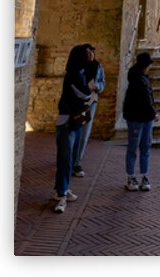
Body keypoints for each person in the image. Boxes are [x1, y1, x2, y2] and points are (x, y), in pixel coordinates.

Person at [53, 44, 94, 213]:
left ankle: (61, 189)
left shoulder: (81, 71)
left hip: (75, 121)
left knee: (70, 157)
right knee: (65, 158)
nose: (90, 55)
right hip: (67, 120)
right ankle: (61, 193)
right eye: (87, 53)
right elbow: (85, 93)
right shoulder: (73, 74)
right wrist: (90, 92)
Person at [123, 52, 159, 191]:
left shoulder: (142, 77)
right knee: (136, 147)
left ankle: (143, 175)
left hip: (144, 117)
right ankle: (132, 176)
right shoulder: (138, 79)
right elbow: (146, 99)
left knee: (144, 147)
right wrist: (154, 113)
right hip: (137, 117)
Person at [72, 44, 106, 178]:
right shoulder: (78, 67)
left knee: (84, 133)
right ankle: (69, 157)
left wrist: (98, 87)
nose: (91, 54)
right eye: (88, 52)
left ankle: (77, 162)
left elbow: (102, 81)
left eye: (92, 51)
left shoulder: (98, 66)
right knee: (74, 130)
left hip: (91, 102)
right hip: (79, 102)